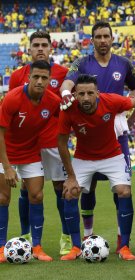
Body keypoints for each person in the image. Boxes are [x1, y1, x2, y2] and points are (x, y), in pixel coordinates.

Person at [60, 21, 135, 255]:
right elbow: (68, 82)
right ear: (92, 40)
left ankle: (120, 241)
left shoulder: (124, 63)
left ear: (112, 38)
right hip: (88, 128)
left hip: (115, 128)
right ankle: (87, 238)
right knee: (88, 188)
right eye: (98, 36)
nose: (103, 40)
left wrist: (128, 119)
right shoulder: (82, 62)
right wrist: (66, 92)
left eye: (106, 36)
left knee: (122, 188)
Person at [57, 74, 135, 261]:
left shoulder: (111, 101)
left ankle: (124, 247)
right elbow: (61, 144)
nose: (86, 98)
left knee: (124, 191)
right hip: (83, 157)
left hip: (112, 155)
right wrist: (71, 176)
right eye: (81, 94)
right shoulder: (68, 110)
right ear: (75, 94)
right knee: (69, 192)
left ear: (98, 93)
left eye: (90, 93)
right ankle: (75, 247)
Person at [8, 31, 71, 256]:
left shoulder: (63, 74)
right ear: (30, 49)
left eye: (45, 45)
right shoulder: (18, 75)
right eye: (36, 45)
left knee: (60, 188)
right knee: (28, 189)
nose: (41, 48)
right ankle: (26, 237)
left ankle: (66, 237)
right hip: (28, 143)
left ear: (51, 48)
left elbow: (64, 110)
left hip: (52, 142)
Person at [0, 60, 60, 262]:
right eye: (36, 77)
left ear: (50, 80)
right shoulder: (13, 98)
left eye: (44, 78)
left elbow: (68, 118)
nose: (40, 81)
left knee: (37, 195)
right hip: (5, 152)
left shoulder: (52, 102)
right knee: (2, 198)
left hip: (30, 153)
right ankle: (0, 247)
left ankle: (37, 247)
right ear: (28, 77)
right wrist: (7, 167)